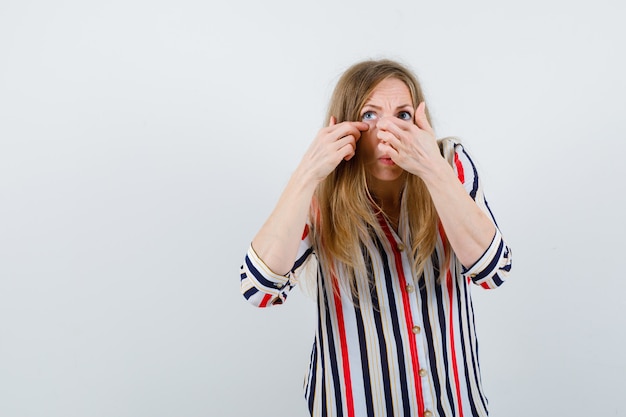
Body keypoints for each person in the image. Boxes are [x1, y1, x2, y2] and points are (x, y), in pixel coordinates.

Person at [239, 59, 512, 417]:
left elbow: (493, 271)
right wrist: (306, 175)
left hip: (454, 406)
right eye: (369, 115)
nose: (388, 131)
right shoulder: (321, 190)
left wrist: (432, 169)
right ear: (346, 127)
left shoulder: (449, 165)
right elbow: (259, 288)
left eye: (402, 115)